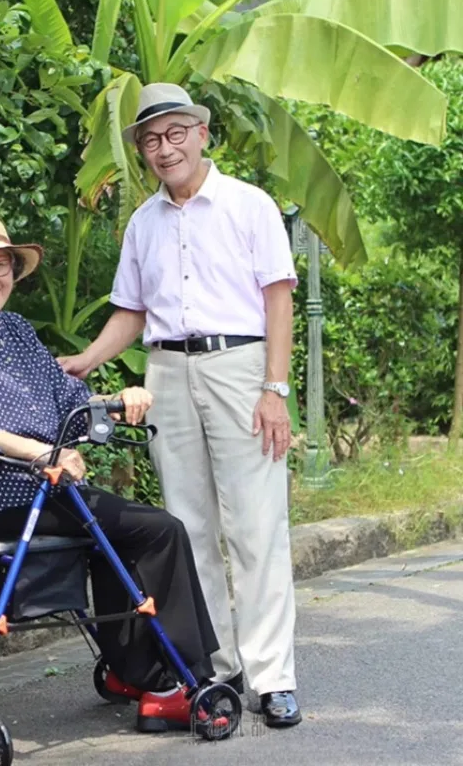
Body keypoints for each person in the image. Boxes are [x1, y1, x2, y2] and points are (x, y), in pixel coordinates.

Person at [0, 211, 228, 734]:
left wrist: (116, 401)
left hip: (48, 493)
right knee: (160, 531)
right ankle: (179, 683)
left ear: (14, 270)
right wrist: (40, 453)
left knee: (119, 535)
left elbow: (69, 402)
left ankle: (137, 673)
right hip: (0, 499)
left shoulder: (15, 331)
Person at [58, 83, 302, 728]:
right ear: (142, 150)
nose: (164, 149)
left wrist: (274, 390)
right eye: (150, 140)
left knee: (255, 525)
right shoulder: (144, 222)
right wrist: (87, 359)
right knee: (185, 527)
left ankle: (274, 676)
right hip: (166, 368)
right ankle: (217, 666)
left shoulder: (250, 206)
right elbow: (132, 312)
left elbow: (279, 300)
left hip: (240, 366)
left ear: (201, 133)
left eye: (175, 134)